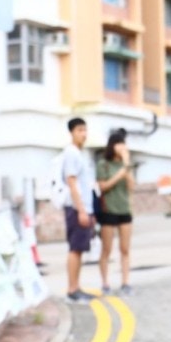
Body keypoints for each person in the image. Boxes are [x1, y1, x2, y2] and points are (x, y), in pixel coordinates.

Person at [58, 116, 96, 302]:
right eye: (80, 130)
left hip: (83, 208)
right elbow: (72, 182)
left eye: (85, 130)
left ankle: (76, 287)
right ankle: (72, 290)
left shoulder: (80, 154)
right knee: (75, 249)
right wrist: (81, 210)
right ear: (72, 132)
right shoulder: (71, 153)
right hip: (76, 209)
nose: (84, 134)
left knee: (80, 249)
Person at [95, 127, 135, 295]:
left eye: (123, 144)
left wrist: (126, 165)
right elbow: (103, 186)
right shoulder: (103, 164)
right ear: (112, 145)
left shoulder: (126, 165)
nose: (121, 147)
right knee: (107, 249)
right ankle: (105, 283)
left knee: (125, 249)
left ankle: (125, 282)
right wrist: (120, 174)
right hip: (108, 210)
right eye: (118, 144)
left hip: (125, 209)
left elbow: (131, 187)